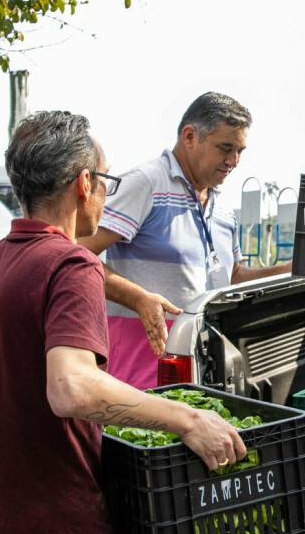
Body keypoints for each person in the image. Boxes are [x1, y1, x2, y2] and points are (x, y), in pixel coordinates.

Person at [0, 111, 246, 534]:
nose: (107, 194)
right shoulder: (70, 266)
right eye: (105, 181)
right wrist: (187, 419)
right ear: (84, 184)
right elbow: (73, 388)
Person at [78, 92, 291, 391]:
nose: (234, 161)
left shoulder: (224, 209)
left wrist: (290, 270)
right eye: (225, 148)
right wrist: (139, 299)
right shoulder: (146, 182)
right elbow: (78, 255)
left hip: (204, 372)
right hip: (138, 374)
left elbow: (233, 277)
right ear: (189, 136)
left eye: (240, 150)